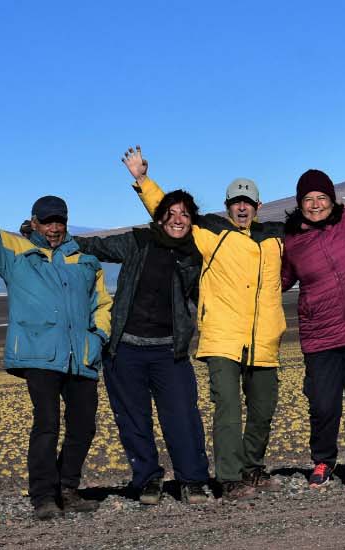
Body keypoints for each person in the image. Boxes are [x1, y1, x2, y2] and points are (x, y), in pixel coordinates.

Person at [122, 147, 286, 500]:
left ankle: (252, 469)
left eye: (248, 203)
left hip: (265, 340)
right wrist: (142, 180)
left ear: (258, 207)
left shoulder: (275, 238)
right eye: (235, 202)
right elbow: (171, 219)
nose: (242, 208)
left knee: (262, 412)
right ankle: (229, 479)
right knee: (227, 410)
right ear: (227, 207)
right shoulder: (211, 234)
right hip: (223, 338)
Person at [0, 162, 112, 520]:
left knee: (84, 426)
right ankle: (44, 496)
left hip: (81, 356)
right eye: (47, 221)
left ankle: (68, 488)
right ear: (35, 222)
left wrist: (98, 336)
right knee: (46, 424)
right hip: (40, 356)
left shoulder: (84, 259)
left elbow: (102, 302)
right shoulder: (17, 254)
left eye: (59, 221)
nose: (54, 228)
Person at [73, 190, 212, 505]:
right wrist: (55, 239)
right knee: (133, 419)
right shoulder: (138, 241)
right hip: (126, 350)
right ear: (160, 216)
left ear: (192, 222)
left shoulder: (194, 254)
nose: (178, 220)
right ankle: (147, 479)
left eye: (185, 215)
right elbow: (95, 246)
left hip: (169, 352)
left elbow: (208, 293)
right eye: (172, 213)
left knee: (182, 417)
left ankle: (193, 480)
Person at [281, 169, 345, 490]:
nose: (315, 204)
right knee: (323, 404)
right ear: (299, 204)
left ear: (332, 199)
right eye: (308, 199)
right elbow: (279, 281)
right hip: (319, 336)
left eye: (321, 198)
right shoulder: (292, 241)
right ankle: (323, 459)